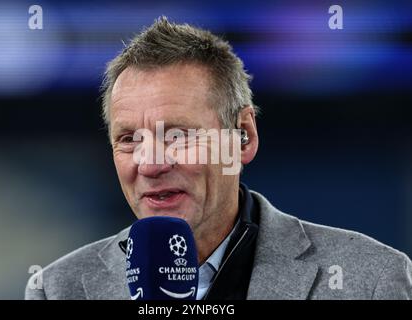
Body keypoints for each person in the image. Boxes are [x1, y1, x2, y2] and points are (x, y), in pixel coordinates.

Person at [25, 17, 412, 300]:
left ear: (243, 136)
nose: (149, 163)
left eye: (176, 135)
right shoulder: (58, 290)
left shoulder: (371, 280)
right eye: (129, 139)